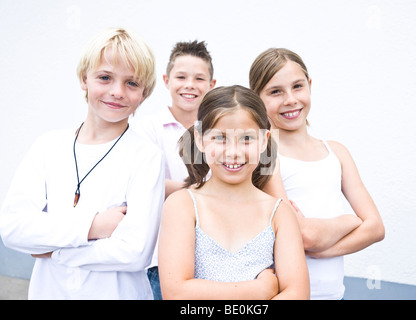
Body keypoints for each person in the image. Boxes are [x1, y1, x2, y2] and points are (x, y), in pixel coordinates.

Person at [0, 28, 165, 299]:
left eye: (131, 83)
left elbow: (134, 252)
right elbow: (13, 228)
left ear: (144, 94)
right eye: (105, 77)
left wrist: (54, 251)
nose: (117, 91)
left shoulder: (146, 156)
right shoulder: (48, 146)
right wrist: (94, 227)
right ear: (83, 79)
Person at [249, 48, 385, 300]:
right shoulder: (266, 154)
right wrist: (351, 221)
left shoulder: (337, 152)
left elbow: (376, 228)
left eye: (297, 86)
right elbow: (303, 235)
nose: (290, 99)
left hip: (335, 294)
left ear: (309, 85)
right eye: (275, 91)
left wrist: (323, 250)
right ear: (257, 98)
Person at [158, 85, 310, 300]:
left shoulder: (279, 213)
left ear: (264, 141)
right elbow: (176, 293)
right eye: (220, 138)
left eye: (247, 139)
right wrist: (258, 291)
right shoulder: (182, 205)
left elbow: (297, 294)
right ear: (200, 140)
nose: (233, 152)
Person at [132, 40, 216, 299]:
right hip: (163, 257)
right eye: (181, 77)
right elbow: (151, 185)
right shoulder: (147, 128)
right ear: (167, 80)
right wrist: (214, 192)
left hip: (213, 257)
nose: (190, 84)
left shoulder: (218, 128)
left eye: (199, 78)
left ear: (212, 85)